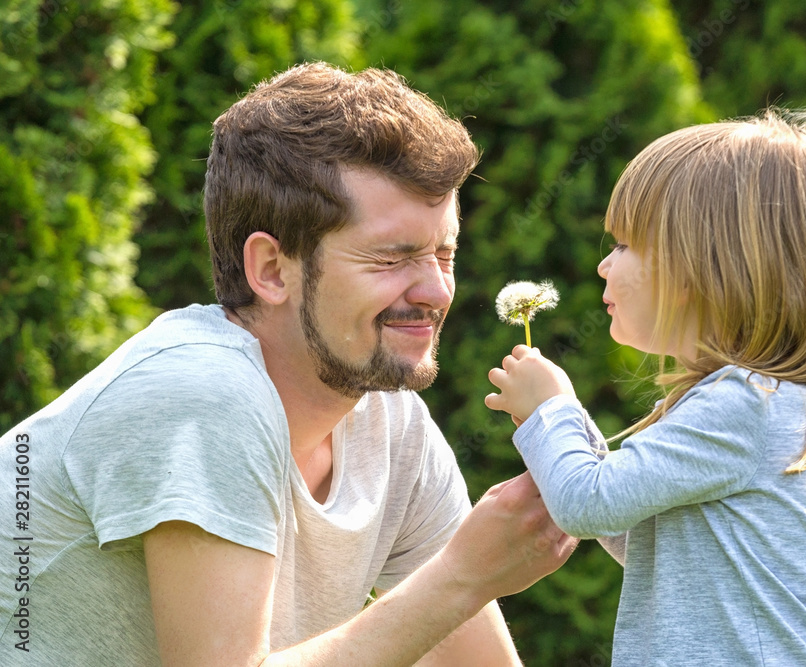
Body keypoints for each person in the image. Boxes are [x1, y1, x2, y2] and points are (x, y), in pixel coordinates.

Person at [0, 62, 575, 665]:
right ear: (272, 270)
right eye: (391, 258)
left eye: (444, 253)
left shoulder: (392, 425)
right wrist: (461, 578)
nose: (436, 291)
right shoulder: (203, 394)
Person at [485, 109, 806, 665]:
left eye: (625, 246)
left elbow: (590, 505)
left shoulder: (742, 404)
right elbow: (646, 533)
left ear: (695, 268)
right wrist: (557, 436)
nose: (604, 266)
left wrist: (552, 409)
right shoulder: (743, 400)